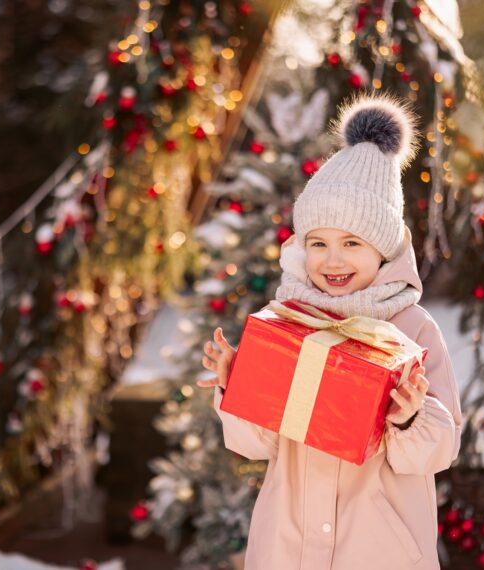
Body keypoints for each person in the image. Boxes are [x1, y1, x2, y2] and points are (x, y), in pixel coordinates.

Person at [198, 94, 462, 570]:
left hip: (378, 549)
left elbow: (440, 450)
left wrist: (408, 419)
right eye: (318, 243)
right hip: (289, 547)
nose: (332, 260)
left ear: (381, 251)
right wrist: (233, 383)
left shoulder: (411, 330)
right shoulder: (286, 321)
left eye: (352, 243)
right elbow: (255, 444)